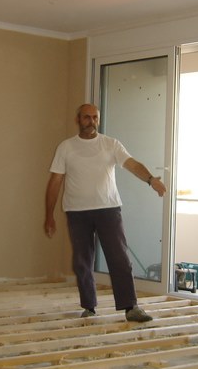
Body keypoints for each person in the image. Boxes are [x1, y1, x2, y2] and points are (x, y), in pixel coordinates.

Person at [44, 103, 167, 322]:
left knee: (119, 258)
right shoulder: (66, 147)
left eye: (95, 117)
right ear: (78, 119)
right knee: (82, 261)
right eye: (86, 117)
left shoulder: (110, 144)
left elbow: (132, 164)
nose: (91, 121)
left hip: (108, 210)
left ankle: (131, 307)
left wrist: (151, 180)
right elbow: (55, 182)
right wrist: (49, 216)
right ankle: (89, 306)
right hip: (77, 212)